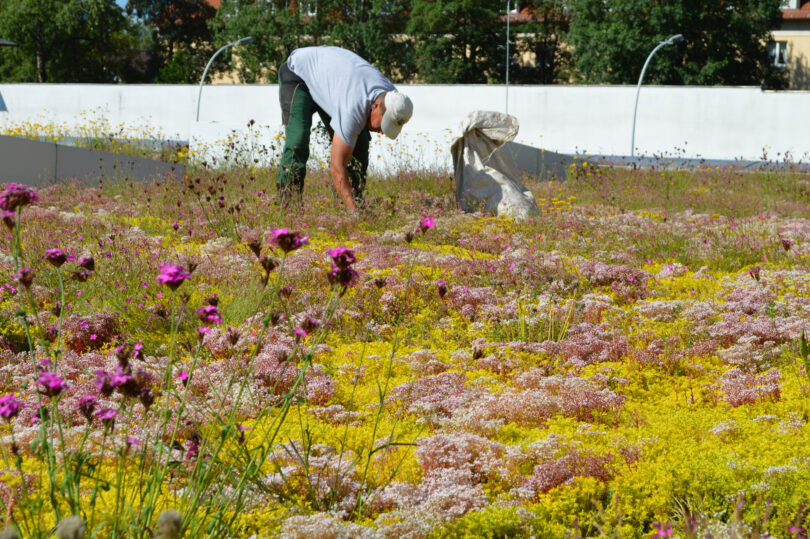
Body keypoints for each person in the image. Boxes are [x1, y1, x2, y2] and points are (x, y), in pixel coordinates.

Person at [276, 46, 413, 212]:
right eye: (383, 125)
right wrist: (354, 214)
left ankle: (346, 205)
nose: (382, 132)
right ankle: (288, 206)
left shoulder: (394, 99)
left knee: (360, 144)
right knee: (298, 140)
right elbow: (337, 165)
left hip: (332, 83)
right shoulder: (354, 105)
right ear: (376, 106)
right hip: (299, 75)